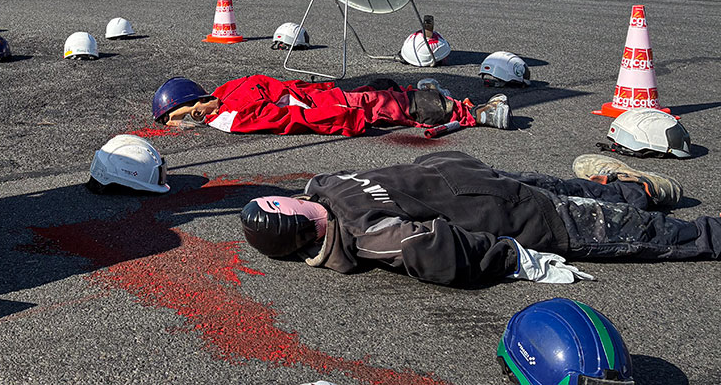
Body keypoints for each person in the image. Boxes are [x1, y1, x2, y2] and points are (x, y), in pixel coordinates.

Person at [239, 150, 721, 288]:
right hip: (520, 214)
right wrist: (516, 257)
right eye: (278, 207)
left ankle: (636, 191)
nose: (282, 199)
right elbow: (437, 252)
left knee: (581, 193)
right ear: (299, 225)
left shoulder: (321, 186)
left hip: (481, 179)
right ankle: (698, 227)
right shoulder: (370, 235)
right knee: (650, 235)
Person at [152, 74, 510, 136]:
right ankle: (475, 113)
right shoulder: (228, 117)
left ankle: (429, 96)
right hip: (325, 106)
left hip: (318, 94)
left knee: (380, 92)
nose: (186, 121)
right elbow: (290, 120)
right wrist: (343, 116)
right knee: (380, 103)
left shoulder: (226, 93)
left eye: (181, 114)